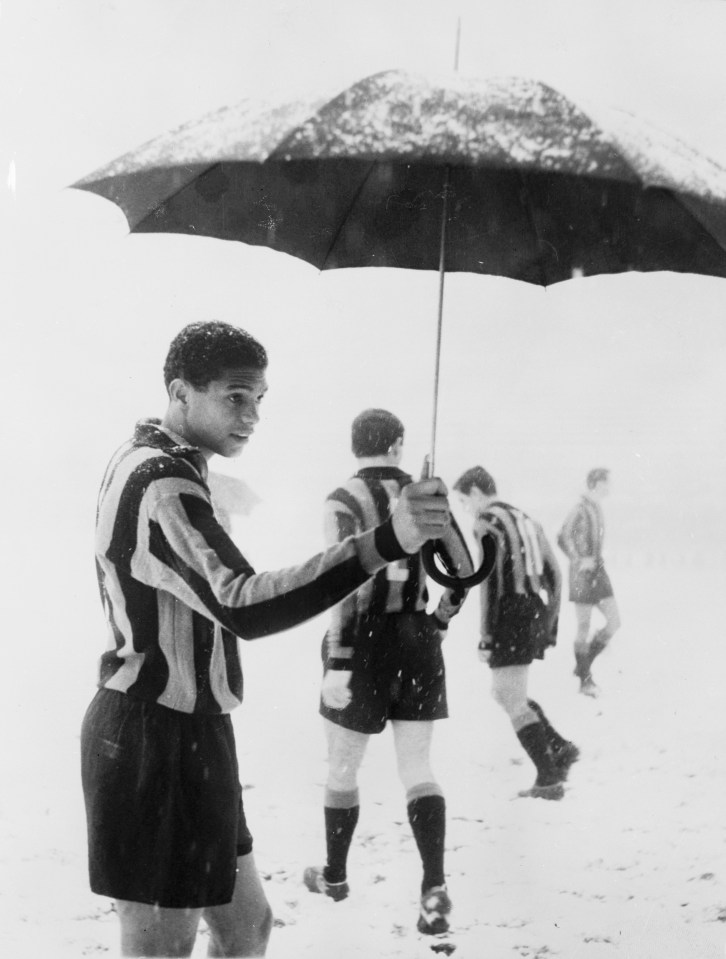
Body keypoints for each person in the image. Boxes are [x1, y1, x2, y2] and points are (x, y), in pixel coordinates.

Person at [80, 323, 456, 959]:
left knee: (247, 927)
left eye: (260, 398)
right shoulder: (160, 482)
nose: (253, 416)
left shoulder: (164, 464)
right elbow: (241, 603)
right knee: (163, 949)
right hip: (152, 732)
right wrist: (383, 543)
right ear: (180, 392)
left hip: (193, 731)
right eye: (235, 397)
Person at [303, 409, 473, 936]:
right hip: (417, 638)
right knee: (418, 768)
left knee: (342, 769)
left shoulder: (341, 499)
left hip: (361, 642)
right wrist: (440, 618)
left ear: (356, 446)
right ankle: (435, 888)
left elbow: (343, 583)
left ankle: (334, 874)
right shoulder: (425, 494)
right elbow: (464, 570)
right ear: (398, 444)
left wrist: (340, 660)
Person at [453, 466, 579, 801]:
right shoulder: (526, 518)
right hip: (534, 610)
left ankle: (549, 777)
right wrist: (550, 622)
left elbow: (490, 583)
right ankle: (559, 748)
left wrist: (486, 635)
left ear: (478, 492)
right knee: (507, 693)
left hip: (510, 613)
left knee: (510, 696)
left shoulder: (486, 522)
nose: (467, 510)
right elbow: (554, 573)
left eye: (465, 501)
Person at [557, 467, 622, 697]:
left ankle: (582, 664)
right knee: (583, 627)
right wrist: (578, 560)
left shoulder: (596, 508)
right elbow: (562, 536)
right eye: (606, 483)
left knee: (614, 621)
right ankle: (585, 679)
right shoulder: (580, 508)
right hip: (581, 575)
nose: (609, 487)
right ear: (596, 483)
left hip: (599, 571)